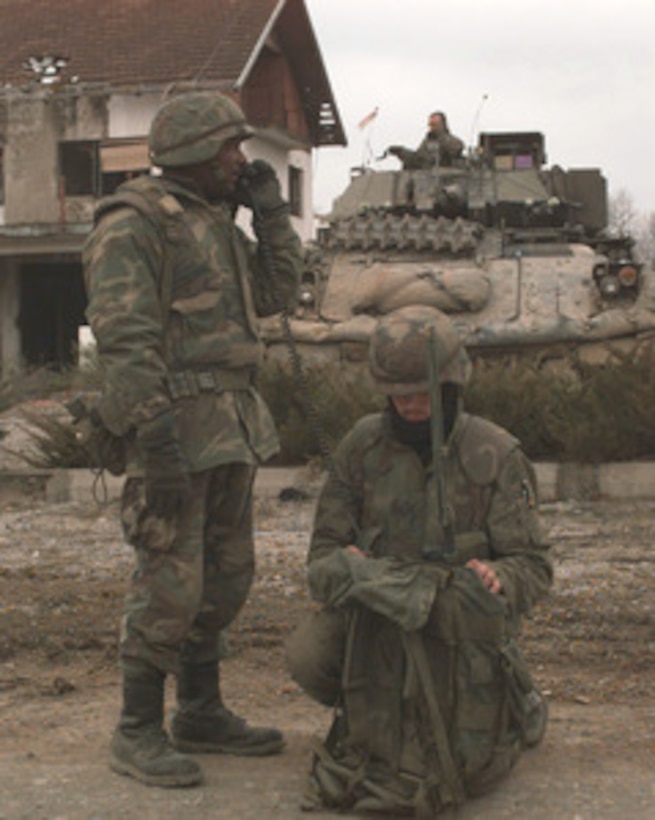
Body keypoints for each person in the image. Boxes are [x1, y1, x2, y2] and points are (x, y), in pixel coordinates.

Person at [82, 90, 303, 788]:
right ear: (194, 154)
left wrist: (271, 216)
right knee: (169, 581)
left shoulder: (213, 222)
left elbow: (275, 294)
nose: (241, 159)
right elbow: (124, 337)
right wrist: (155, 436)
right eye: (230, 149)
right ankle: (137, 730)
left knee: (228, 573)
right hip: (173, 426)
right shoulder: (134, 222)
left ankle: (200, 710)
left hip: (232, 425)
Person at [286, 305, 553, 816]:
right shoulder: (360, 448)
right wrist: (353, 571)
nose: (408, 404)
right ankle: (380, 714)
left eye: (420, 392)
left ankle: (515, 697)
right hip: (379, 627)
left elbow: (535, 564)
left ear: (452, 383)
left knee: (468, 758)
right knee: (310, 653)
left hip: (456, 629)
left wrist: (502, 576)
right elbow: (321, 562)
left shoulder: (495, 453)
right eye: (397, 394)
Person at [388, 110, 465, 169]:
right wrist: (402, 152)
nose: (431, 128)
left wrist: (440, 136)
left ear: (442, 124)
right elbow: (418, 158)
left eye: (434, 125)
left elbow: (458, 148)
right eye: (430, 125)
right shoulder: (427, 142)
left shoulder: (451, 141)